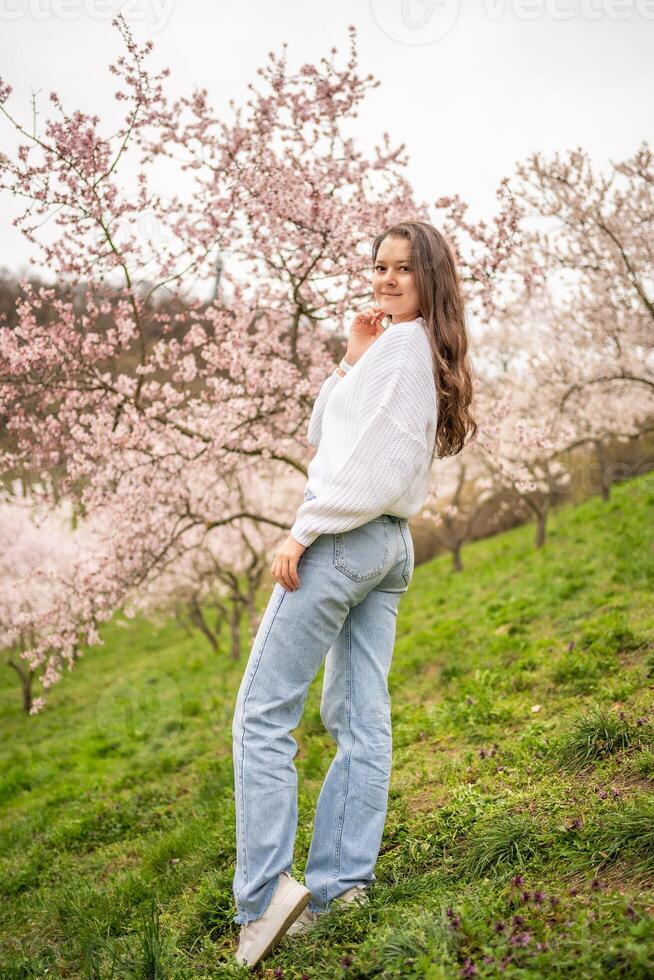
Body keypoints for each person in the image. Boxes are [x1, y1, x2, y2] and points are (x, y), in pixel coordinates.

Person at [232, 220, 477, 967]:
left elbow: (363, 463)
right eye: (378, 266)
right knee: (359, 716)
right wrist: (350, 358)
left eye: (403, 269)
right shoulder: (410, 347)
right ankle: (342, 885)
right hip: (388, 548)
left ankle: (266, 897)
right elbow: (326, 433)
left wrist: (303, 532)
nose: (386, 279)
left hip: (343, 540)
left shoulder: (407, 347)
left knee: (262, 715)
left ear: (430, 277)